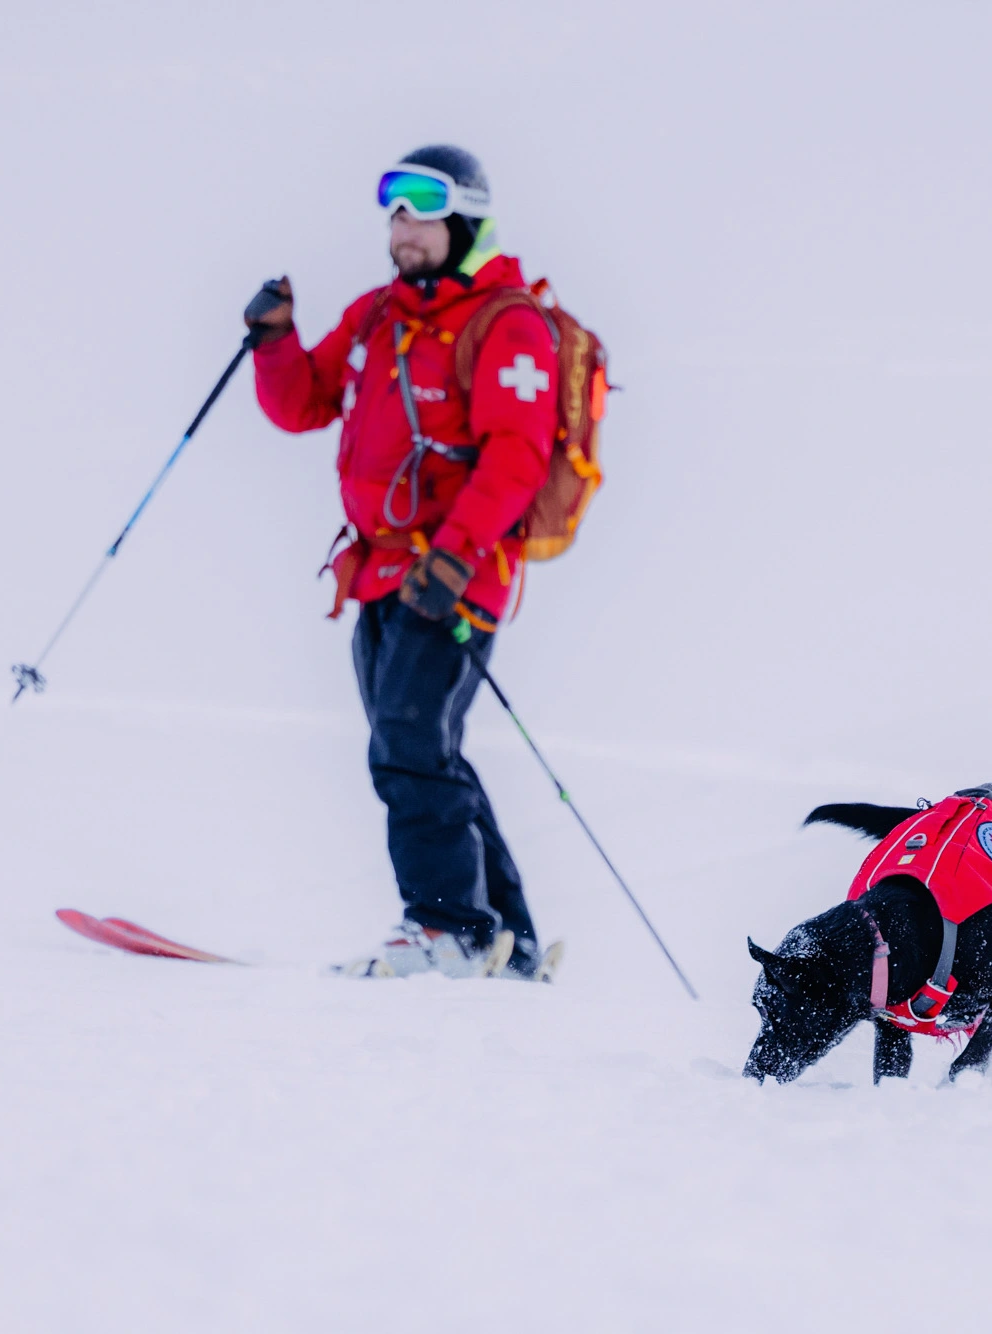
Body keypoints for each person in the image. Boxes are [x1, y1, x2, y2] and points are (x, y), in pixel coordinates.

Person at [245, 145, 558, 981]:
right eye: (393, 209)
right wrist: (274, 341)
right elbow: (305, 402)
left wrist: (453, 559)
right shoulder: (380, 315)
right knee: (423, 747)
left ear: (463, 219)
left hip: (455, 574)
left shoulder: (506, 321)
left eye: (421, 208)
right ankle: (509, 944)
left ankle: (448, 929)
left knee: (409, 744)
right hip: (381, 572)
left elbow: (516, 458)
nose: (402, 226)